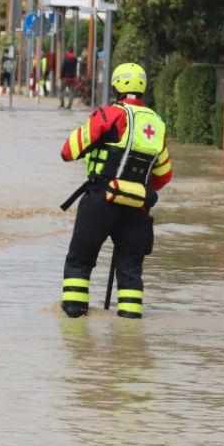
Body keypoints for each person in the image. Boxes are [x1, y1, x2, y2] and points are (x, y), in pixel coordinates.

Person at [58, 63, 172, 319]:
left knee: (79, 262)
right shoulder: (158, 125)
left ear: (115, 87)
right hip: (138, 205)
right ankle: (130, 338)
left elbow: (69, 151)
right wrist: (136, 188)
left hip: (101, 199)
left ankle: (74, 325)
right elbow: (164, 174)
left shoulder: (110, 115)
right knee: (131, 270)